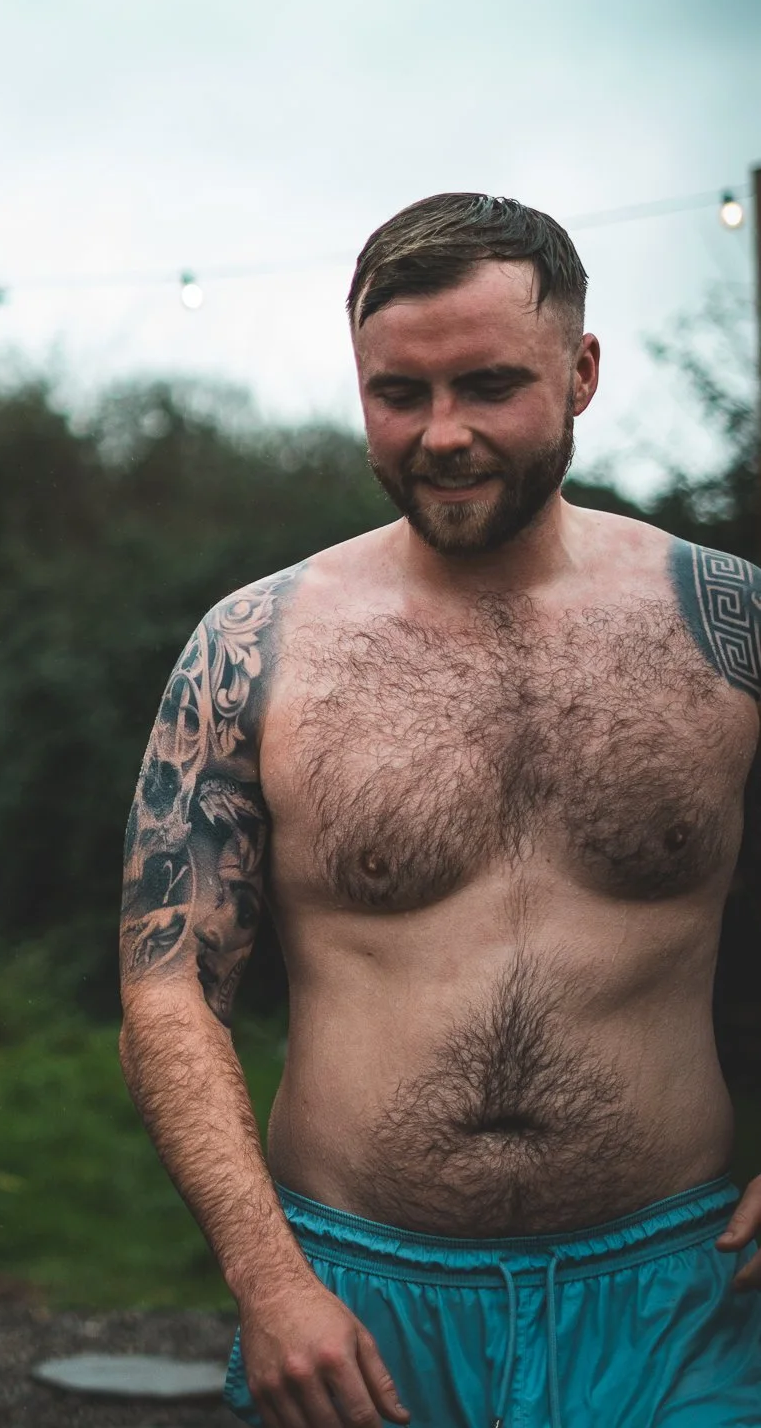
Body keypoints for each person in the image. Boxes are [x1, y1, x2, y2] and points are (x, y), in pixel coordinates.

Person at [120, 192, 761, 1428]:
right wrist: (268, 1280)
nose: (443, 434)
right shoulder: (256, 647)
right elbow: (167, 987)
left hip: (681, 1300)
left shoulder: (725, 626)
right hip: (354, 1307)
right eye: (398, 394)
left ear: (580, 371)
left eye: (488, 384)